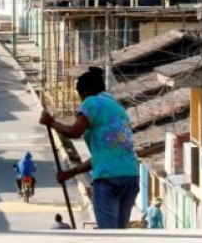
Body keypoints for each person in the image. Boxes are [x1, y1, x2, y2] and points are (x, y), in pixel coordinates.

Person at [39, 67, 139, 229]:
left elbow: (75, 132)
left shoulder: (91, 102)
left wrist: (51, 123)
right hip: (130, 178)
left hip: (108, 180)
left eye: (80, 98)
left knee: (108, 236)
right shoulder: (119, 110)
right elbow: (102, 157)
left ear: (84, 92)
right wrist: (71, 172)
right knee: (120, 234)